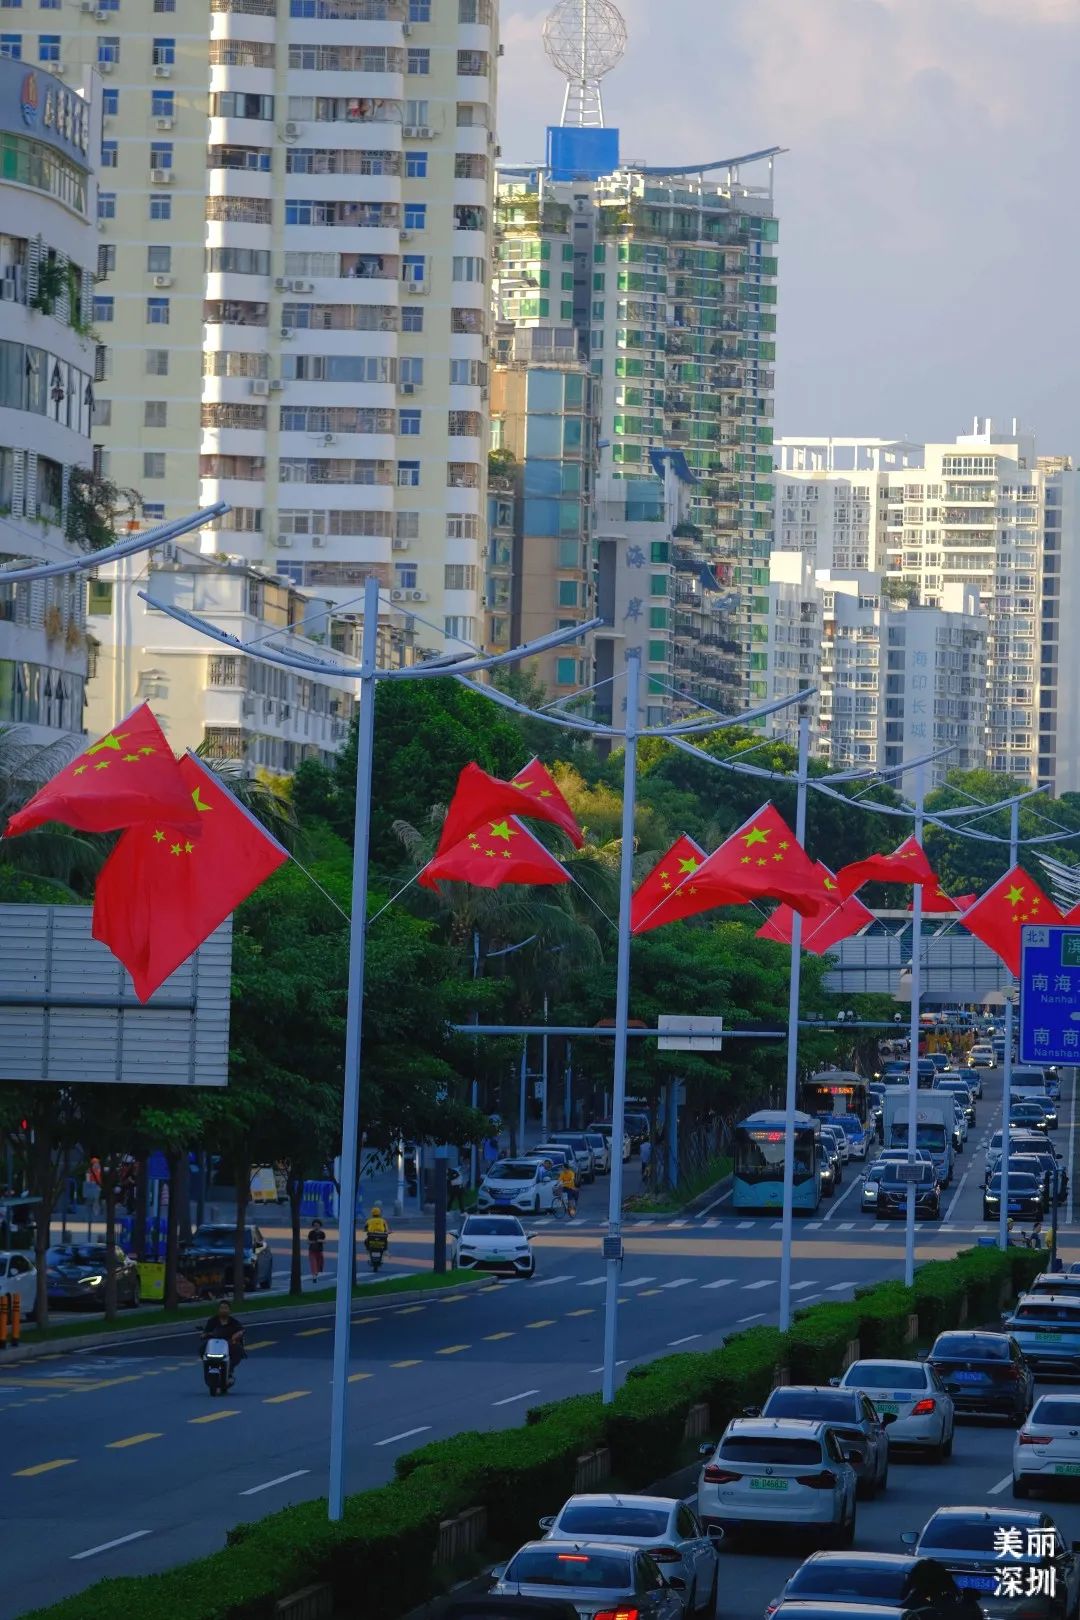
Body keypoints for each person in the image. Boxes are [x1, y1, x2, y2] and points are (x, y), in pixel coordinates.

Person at [202, 1299, 245, 1377]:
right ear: (218, 1310)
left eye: (225, 1308)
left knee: (238, 1350)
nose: (223, 1310)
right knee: (202, 1348)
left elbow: (241, 1330)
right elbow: (205, 1332)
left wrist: (238, 1334)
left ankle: (229, 1368)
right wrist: (204, 1335)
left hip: (228, 1343)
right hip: (214, 1344)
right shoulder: (212, 1321)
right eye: (221, 1308)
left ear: (229, 1310)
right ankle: (208, 1366)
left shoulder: (233, 1322)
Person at [307, 1217, 326, 1282]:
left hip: (320, 1251)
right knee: (313, 1264)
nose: (316, 1227)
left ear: (320, 1226)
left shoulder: (322, 1233)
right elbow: (308, 1241)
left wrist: (320, 1240)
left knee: (319, 1264)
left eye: (317, 1225)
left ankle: (316, 1273)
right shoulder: (311, 1233)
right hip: (312, 1251)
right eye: (314, 1225)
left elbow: (324, 1241)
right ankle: (314, 1277)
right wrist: (313, 1241)